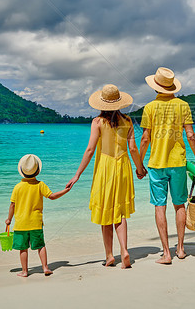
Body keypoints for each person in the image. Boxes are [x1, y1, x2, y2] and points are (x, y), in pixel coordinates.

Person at [67, 84, 147, 269]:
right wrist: (140, 168)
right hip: (123, 167)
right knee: (119, 212)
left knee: (105, 212)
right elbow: (133, 149)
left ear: (101, 104)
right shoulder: (127, 121)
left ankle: (110, 255)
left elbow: (89, 150)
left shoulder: (97, 122)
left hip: (105, 167)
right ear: (119, 103)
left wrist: (77, 174)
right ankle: (124, 250)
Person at [139, 67, 195, 264]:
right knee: (179, 204)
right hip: (178, 163)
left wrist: (139, 163)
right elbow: (190, 135)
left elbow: (145, 138)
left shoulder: (149, 108)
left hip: (157, 164)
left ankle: (166, 253)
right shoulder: (183, 106)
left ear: (156, 87)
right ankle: (181, 249)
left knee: (159, 206)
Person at [5, 154, 71, 277]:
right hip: (36, 223)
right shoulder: (40, 185)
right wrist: (65, 191)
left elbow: (12, 205)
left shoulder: (17, 187)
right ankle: (45, 268)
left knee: (23, 248)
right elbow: (52, 196)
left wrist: (9, 219)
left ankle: (25, 271)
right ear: (38, 171)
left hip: (20, 225)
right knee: (41, 246)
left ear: (22, 171)